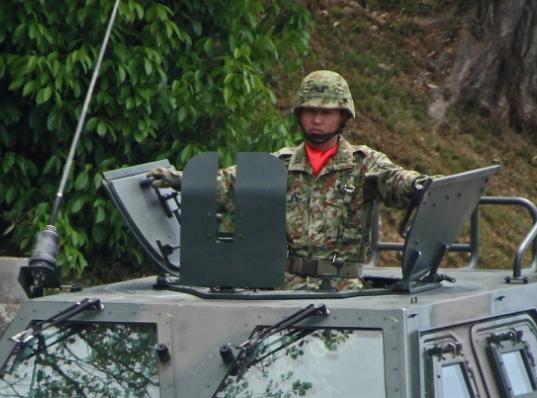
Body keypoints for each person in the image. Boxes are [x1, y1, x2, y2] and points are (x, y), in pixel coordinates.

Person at [149, 70, 431, 291]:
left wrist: (419, 184)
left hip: (342, 289)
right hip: (286, 288)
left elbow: (394, 180)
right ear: (299, 114)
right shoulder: (279, 165)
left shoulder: (363, 163)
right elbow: (229, 183)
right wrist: (181, 179)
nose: (317, 120)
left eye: (326, 112)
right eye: (310, 111)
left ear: (343, 116)